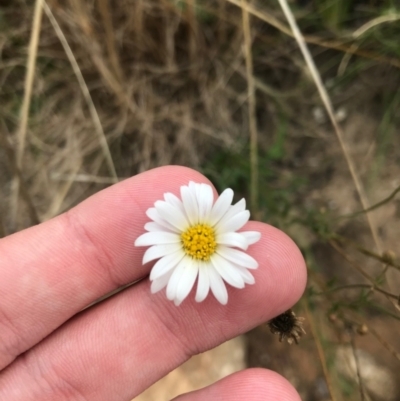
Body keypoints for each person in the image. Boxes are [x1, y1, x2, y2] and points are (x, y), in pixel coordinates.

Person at [0, 166, 306, 400]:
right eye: (197, 239)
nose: (199, 240)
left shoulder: (212, 247)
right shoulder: (179, 241)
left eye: (202, 239)